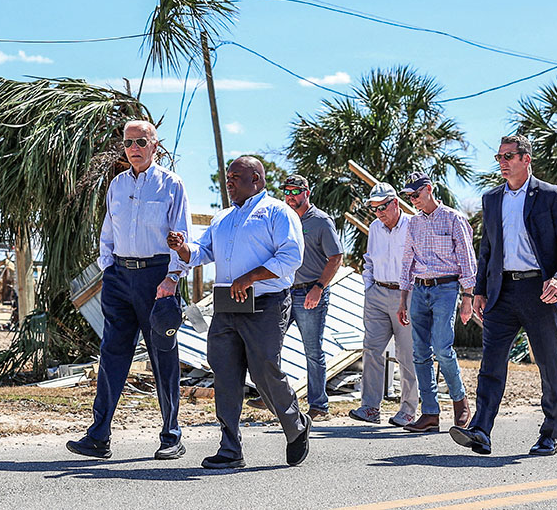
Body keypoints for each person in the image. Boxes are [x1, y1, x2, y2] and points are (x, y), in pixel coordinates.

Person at [168, 156, 311, 469]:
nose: (229, 182)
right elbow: (201, 252)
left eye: (235, 176)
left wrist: (250, 277)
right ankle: (230, 448)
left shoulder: (277, 212)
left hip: (266, 304)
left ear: (256, 178)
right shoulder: (223, 218)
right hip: (227, 305)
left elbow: (291, 257)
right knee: (225, 373)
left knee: (264, 372)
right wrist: (182, 249)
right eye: (227, 177)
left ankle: (296, 424)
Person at [66, 120, 192, 461]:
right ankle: (98, 436)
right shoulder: (117, 185)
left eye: (140, 141)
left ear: (154, 145)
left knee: (163, 355)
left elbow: (182, 236)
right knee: (112, 355)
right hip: (120, 277)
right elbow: (108, 231)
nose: (133, 148)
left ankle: (171, 436)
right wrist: (109, 269)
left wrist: (172, 278)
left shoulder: (171, 185)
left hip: (157, 278)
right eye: (127, 143)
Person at [449, 135, 557, 457]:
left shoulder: (551, 196)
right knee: (491, 364)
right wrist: (479, 290)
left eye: (508, 156)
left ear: (526, 159)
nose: (502, 163)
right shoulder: (492, 199)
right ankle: (480, 430)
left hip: (540, 291)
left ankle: (550, 433)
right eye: (499, 157)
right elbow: (487, 249)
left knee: (549, 365)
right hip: (501, 292)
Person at [248, 174, 342, 420]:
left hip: (311, 292)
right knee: (270, 345)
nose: (290, 196)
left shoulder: (321, 221)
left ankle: (319, 406)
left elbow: (336, 257)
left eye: (295, 191)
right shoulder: (281, 219)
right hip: (284, 292)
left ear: (306, 193)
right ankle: (271, 396)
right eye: (287, 191)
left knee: (312, 350)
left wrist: (319, 287)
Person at [397, 171, 476, 434]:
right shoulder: (413, 223)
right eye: (409, 196)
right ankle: (430, 412)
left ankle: (460, 401)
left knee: (442, 348)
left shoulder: (454, 218)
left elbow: (467, 259)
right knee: (419, 353)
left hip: (446, 289)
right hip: (419, 290)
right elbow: (407, 260)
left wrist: (468, 298)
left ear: (429, 189)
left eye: (416, 194)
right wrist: (403, 299)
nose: (413, 200)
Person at [349, 182, 418, 427]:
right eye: (374, 208)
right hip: (377, 292)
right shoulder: (375, 228)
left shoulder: (413, 225)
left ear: (395, 203)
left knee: (406, 353)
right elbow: (369, 260)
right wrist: (368, 287)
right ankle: (370, 407)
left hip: (405, 295)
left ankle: (408, 410)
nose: (379, 212)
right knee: (371, 350)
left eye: (382, 207)